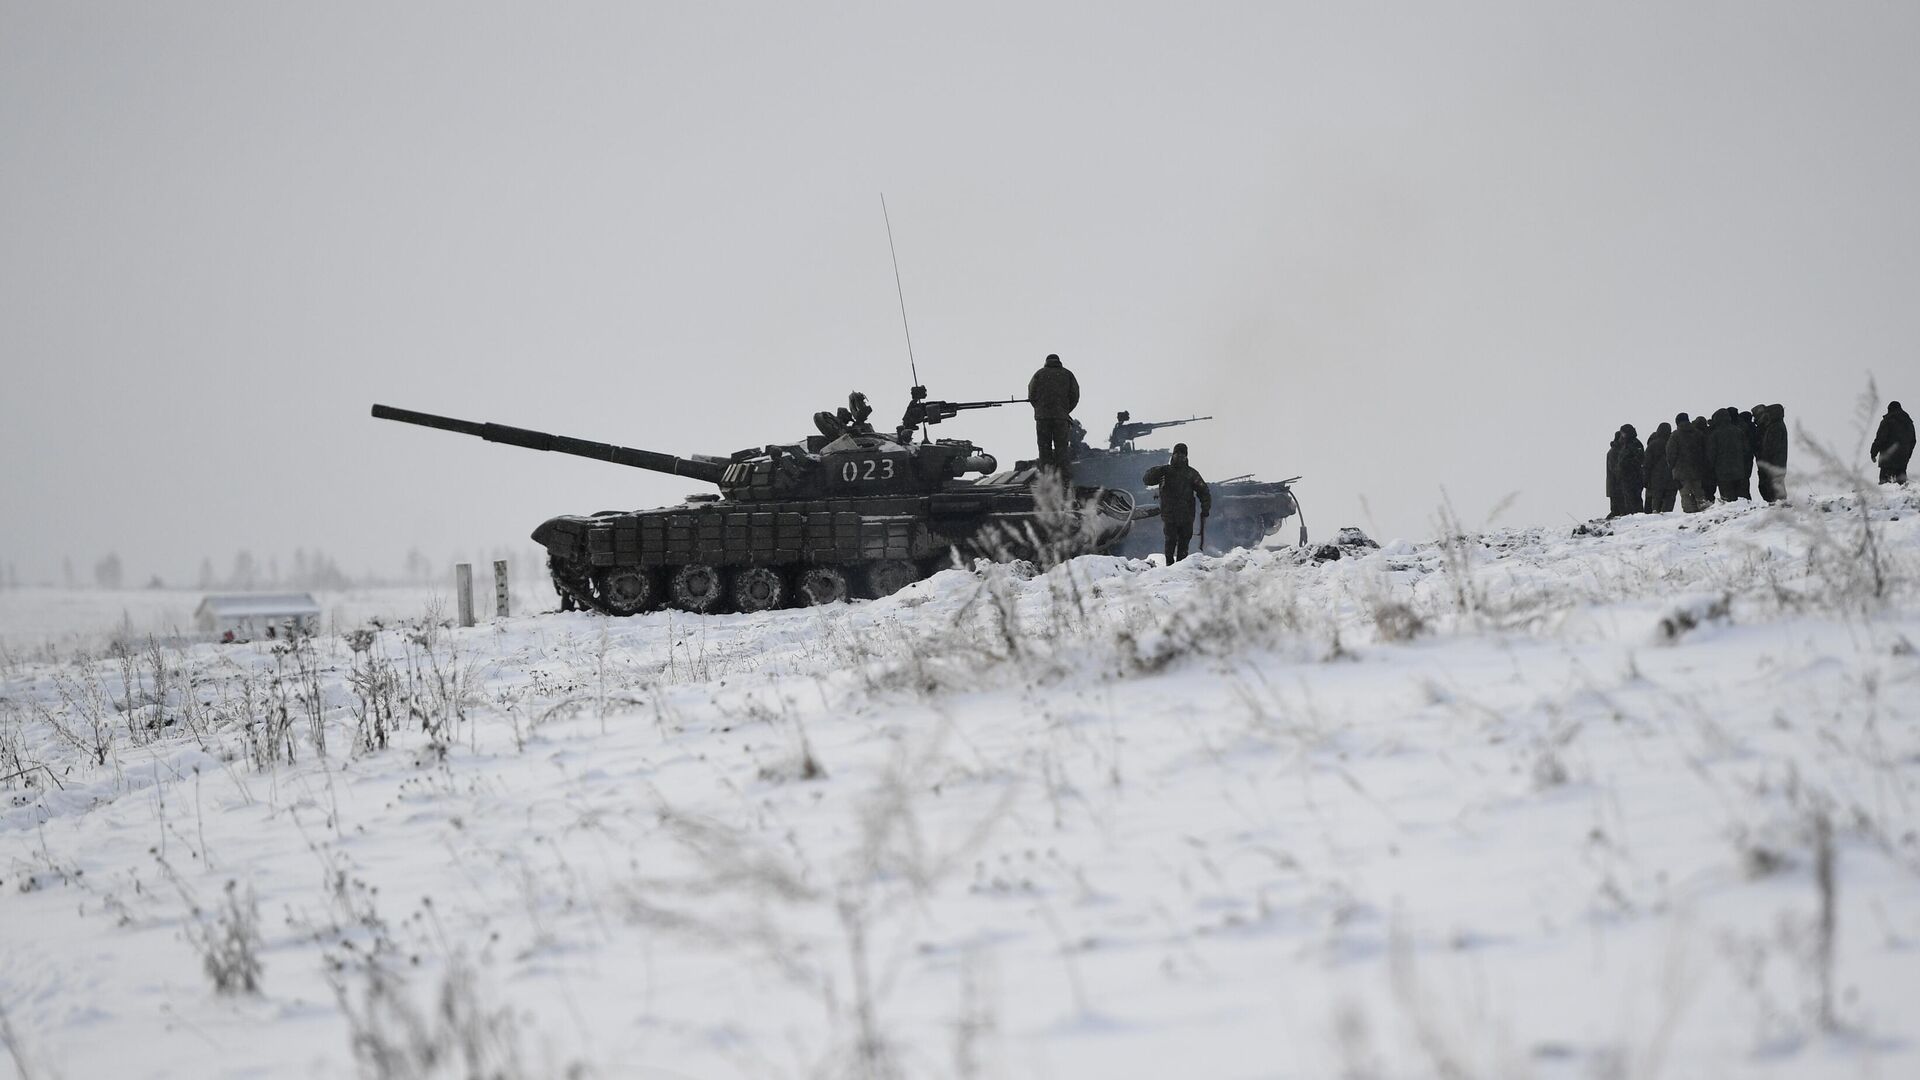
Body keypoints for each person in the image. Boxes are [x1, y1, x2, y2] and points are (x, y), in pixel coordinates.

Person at [1143, 442, 1211, 563]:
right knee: (1170, 544)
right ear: (1173, 455)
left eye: (1182, 454)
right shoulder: (1165, 471)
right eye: (1177, 454)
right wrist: (1158, 470)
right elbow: (1147, 480)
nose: (1179, 456)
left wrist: (1205, 509)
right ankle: (1170, 567)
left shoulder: (1191, 474)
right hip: (1170, 515)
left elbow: (1204, 491)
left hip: (1186, 516)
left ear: (1186, 456)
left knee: (1183, 546)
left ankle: (1180, 568)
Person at [1027, 353, 1080, 475]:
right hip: (1061, 418)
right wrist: (1065, 410)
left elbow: (1031, 395)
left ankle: (1047, 477)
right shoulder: (1068, 374)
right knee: (1062, 449)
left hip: (1043, 418)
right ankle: (1063, 478)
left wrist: (1040, 409)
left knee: (1044, 449)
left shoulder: (1039, 374)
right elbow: (1075, 395)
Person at [1709, 408, 1753, 501]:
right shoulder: (1739, 431)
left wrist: (1711, 470)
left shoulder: (1715, 434)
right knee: (1742, 500)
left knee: (1728, 501)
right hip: (1739, 471)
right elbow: (1747, 451)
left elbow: (1711, 455)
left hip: (1723, 473)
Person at [1669, 415, 1711, 513]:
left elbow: (1671, 454)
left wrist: (1672, 467)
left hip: (1681, 470)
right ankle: (1705, 512)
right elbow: (1705, 450)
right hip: (1697, 468)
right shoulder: (1698, 434)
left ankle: (1689, 515)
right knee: (1699, 492)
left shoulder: (1675, 435)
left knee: (1685, 494)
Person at [1872, 400, 1914, 484]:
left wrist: (1873, 453)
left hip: (1888, 460)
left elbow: (1880, 439)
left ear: (1890, 409)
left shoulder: (1887, 421)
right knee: (1901, 485)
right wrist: (1908, 455)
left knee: (1885, 486)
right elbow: (1913, 441)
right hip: (1903, 459)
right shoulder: (1909, 422)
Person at [1756, 404, 1789, 502]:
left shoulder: (1775, 427)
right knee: (1773, 487)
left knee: (1773, 488)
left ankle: (1778, 504)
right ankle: (1778, 503)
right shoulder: (1776, 426)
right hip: (1776, 462)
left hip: (1774, 463)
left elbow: (1770, 447)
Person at [1613, 424, 1646, 515]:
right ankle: (1632, 516)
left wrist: (1625, 464)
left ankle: (1637, 517)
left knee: (1634, 500)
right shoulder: (1627, 443)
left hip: (1633, 477)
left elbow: (1639, 459)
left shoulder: (1635, 443)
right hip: (1627, 477)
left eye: (1623, 433)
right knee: (1629, 500)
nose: (1622, 435)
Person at [1644, 421, 1676, 512]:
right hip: (1671, 477)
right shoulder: (1673, 443)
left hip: (1656, 478)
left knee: (1656, 503)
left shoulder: (1653, 445)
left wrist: (1645, 479)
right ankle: (1667, 517)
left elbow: (1647, 463)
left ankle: (1655, 514)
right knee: (1669, 502)